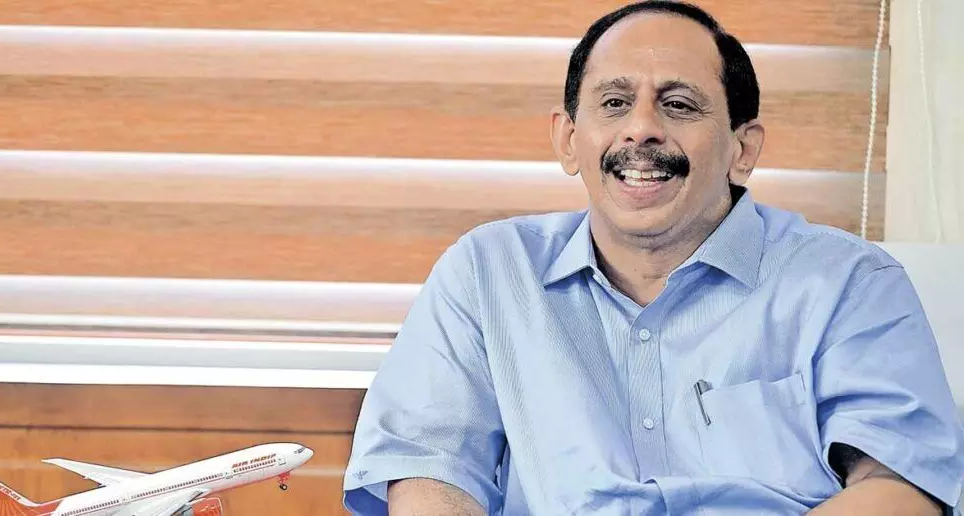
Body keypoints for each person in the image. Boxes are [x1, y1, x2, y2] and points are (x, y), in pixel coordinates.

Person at [341, 1, 964, 514]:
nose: (640, 129)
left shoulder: (851, 282)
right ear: (568, 139)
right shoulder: (487, 272)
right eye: (614, 103)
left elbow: (902, 487)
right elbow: (429, 474)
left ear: (742, 149)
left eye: (679, 104)